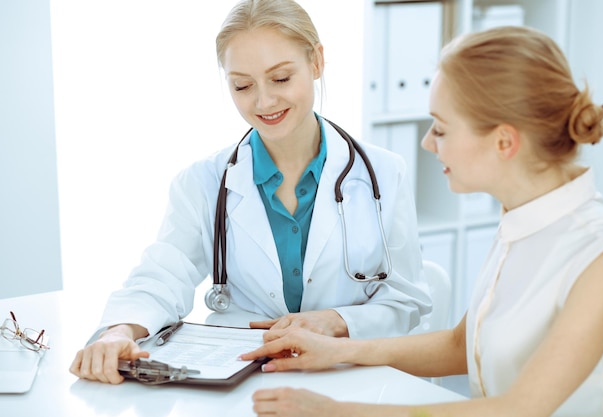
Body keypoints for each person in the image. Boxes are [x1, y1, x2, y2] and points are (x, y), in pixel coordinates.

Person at [240, 25, 603, 417]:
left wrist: (333, 411)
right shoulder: (523, 223)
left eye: (441, 128)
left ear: (504, 142)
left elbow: (518, 409)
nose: (427, 143)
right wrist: (337, 350)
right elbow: (463, 345)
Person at [69, 0, 431, 384]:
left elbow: (407, 299)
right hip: (244, 380)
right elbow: (161, 276)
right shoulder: (204, 182)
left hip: (348, 374)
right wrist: (118, 332)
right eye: (242, 85)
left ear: (317, 62)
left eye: (280, 79)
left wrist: (338, 321)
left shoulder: (383, 174)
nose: (263, 102)